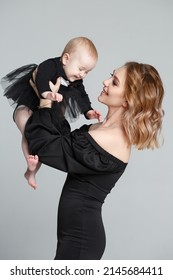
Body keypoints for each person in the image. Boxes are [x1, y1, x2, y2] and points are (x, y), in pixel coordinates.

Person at [25, 61, 164, 260]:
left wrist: (45, 102)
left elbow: (45, 146)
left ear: (127, 100)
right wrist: (49, 95)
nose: (105, 82)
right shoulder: (100, 129)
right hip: (74, 236)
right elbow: (62, 140)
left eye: (114, 82)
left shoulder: (110, 139)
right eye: (111, 75)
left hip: (81, 240)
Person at [1, 36, 101, 189]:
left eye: (87, 72)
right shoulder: (50, 65)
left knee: (43, 139)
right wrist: (47, 94)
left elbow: (82, 95)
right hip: (30, 105)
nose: (82, 75)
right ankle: (30, 163)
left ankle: (31, 171)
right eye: (81, 69)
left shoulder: (76, 80)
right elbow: (40, 77)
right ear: (66, 59)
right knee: (28, 128)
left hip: (48, 113)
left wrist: (88, 111)